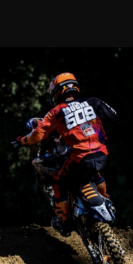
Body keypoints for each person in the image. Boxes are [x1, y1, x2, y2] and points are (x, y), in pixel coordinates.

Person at [14, 72, 117, 235]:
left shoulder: (57, 112)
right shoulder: (92, 102)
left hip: (79, 158)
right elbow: (113, 116)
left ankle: (64, 222)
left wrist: (22, 140)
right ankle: (107, 201)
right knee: (95, 175)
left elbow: (37, 135)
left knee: (58, 182)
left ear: (56, 93)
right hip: (102, 154)